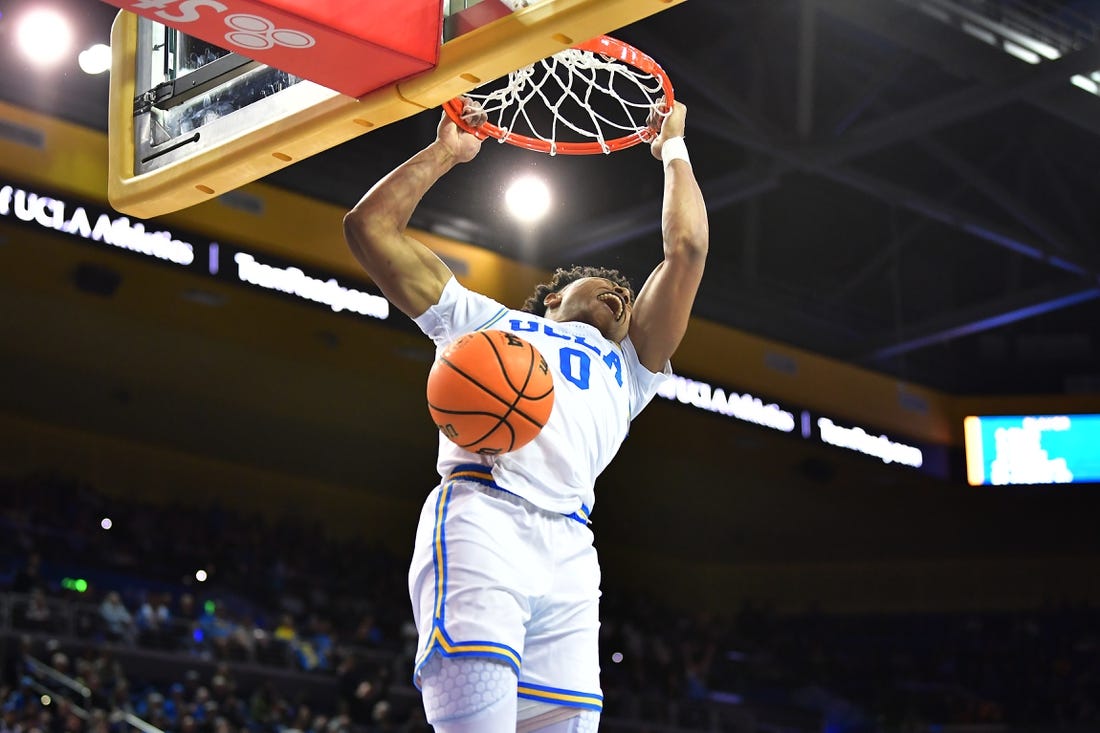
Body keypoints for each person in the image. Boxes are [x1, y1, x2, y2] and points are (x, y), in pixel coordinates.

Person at [343, 98, 708, 733]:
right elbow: (368, 229)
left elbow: (689, 248)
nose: (618, 291)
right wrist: (445, 155)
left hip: (571, 548)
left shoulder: (633, 368)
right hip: (485, 515)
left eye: (624, 291)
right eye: (599, 283)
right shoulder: (485, 322)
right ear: (551, 298)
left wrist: (673, 150)